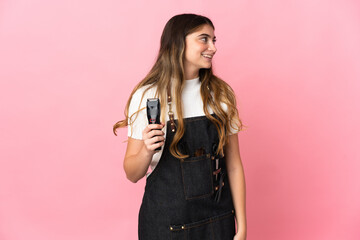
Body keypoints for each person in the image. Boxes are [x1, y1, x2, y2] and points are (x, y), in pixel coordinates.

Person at [113, 13, 247, 240]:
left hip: (218, 222)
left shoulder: (221, 94)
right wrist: (146, 150)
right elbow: (132, 174)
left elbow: (233, 165)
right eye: (203, 39)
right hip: (166, 226)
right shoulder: (147, 95)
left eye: (214, 40)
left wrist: (241, 226)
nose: (212, 48)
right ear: (178, 42)